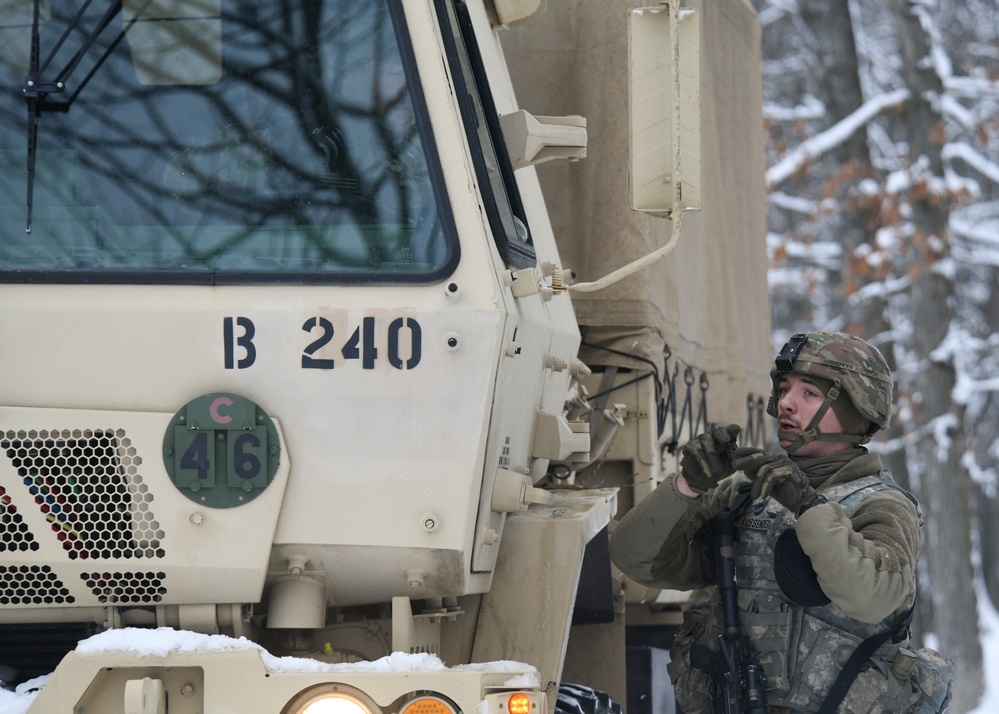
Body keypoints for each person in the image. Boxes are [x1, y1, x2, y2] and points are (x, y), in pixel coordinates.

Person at [609, 331, 953, 713]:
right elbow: (636, 561)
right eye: (784, 388)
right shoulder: (746, 495)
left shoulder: (884, 505)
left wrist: (807, 505)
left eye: (809, 393)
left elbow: (870, 596)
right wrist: (689, 485)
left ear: (858, 406)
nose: (786, 404)